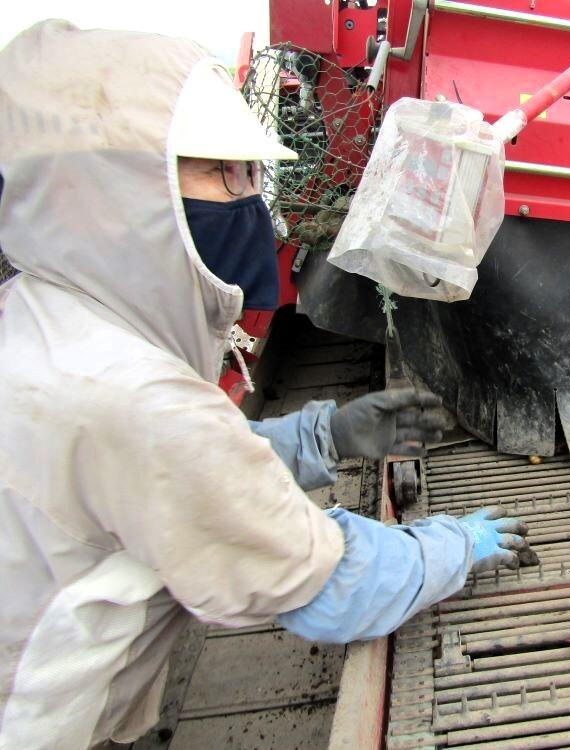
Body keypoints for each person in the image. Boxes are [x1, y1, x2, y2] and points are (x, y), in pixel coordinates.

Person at [0, 20, 527, 749]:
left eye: (252, 174)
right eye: (222, 173)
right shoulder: (130, 395)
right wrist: (451, 548)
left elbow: (181, 466)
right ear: (121, 193)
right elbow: (324, 579)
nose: (251, 200)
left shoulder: (47, 318)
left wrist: (327, 435)